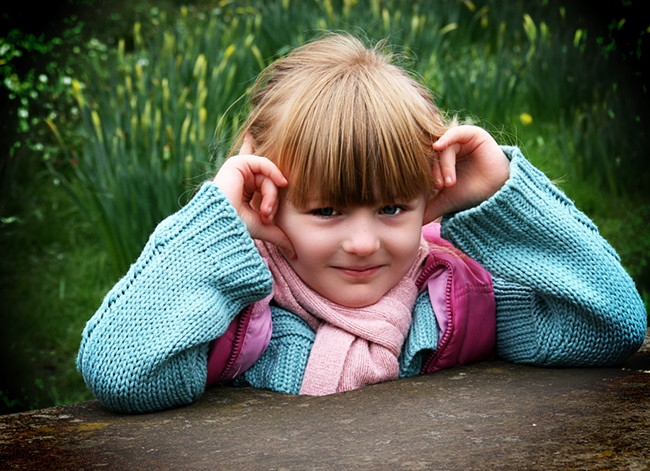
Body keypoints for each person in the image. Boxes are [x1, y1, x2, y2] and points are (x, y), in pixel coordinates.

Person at [77, 33, 647, 414]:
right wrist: (218, 222)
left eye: (392, 208)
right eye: (326, 211)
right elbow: (120, 371)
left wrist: (497, 200)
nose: (362, 243)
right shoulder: (238, 319)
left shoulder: (449, 300)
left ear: (429, 194)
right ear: (267, 196)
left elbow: (605, 328)